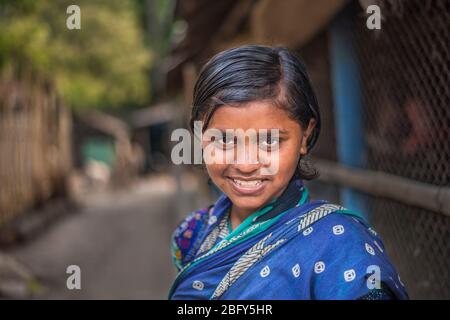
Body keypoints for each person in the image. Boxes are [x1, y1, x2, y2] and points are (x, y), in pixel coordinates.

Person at [169, 45, 408, 300]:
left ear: (304, 135)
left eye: (270, 141)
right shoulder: (192, 235)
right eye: (224, 140)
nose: (246, 164)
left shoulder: (341, 246)